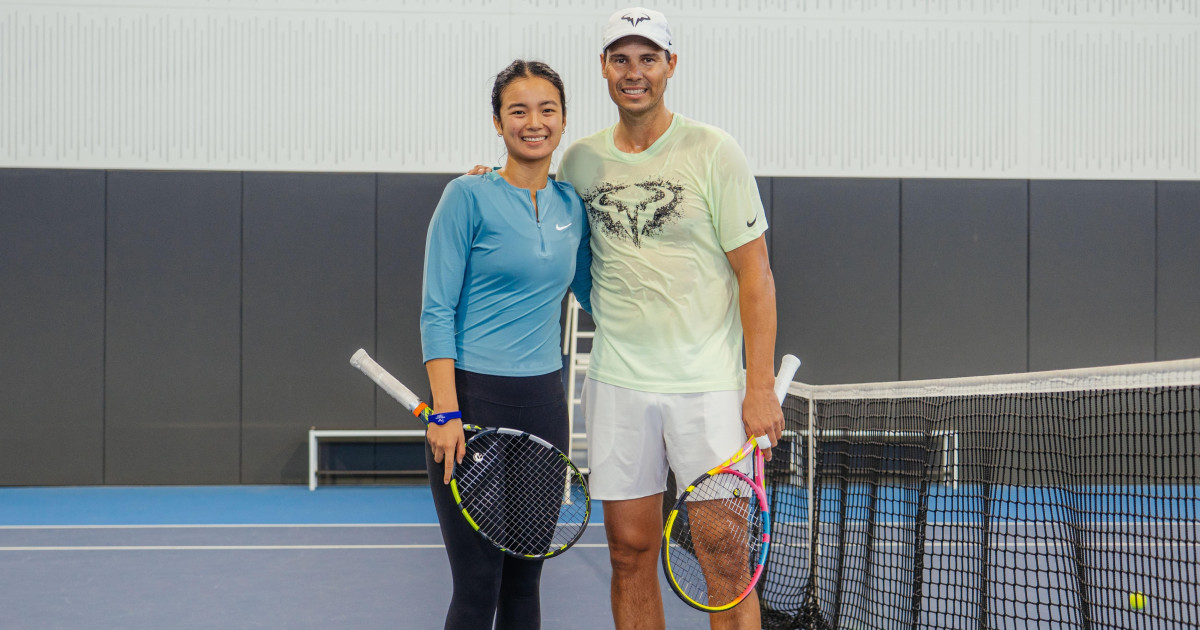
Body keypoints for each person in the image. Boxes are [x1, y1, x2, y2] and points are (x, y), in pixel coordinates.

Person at [555, 8, 783, 630]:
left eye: (648, 59)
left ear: (670, 66)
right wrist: (485, 182)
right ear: (604, 68)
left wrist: (757, 387)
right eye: (622, 59)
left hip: (709, 390)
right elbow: (548, 231)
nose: (635, 73)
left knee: (725, 563)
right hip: (619, 385)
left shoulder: (714, 150)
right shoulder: (578, 163)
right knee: (630, 554)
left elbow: (755, 274)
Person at [420, 59, 591, 630]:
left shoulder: (574, 208)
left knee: (525, 584)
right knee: (476, 587)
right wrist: (446, 410)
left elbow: (601, 295)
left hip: (544, 407)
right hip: (473, 408)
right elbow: (436, 309)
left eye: (547, 110)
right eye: (518, 111)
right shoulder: (465, 197)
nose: (533, 122)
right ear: (498, 122)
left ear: (563, 120)